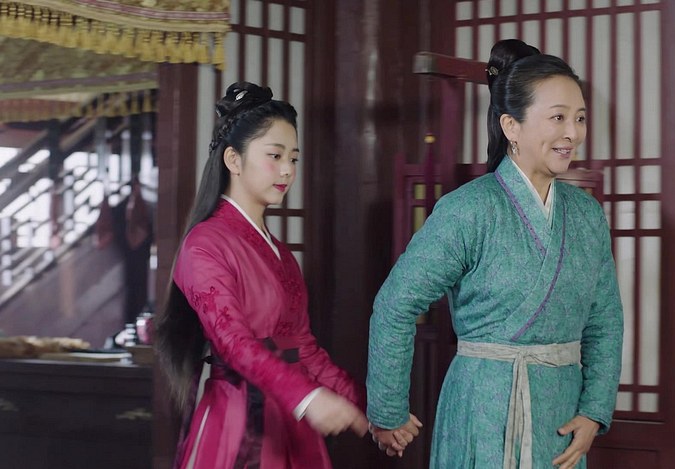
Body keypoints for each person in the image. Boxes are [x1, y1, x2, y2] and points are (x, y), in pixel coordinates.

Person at [366, 39, 624, 469]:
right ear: (511, 126)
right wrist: (388, 409)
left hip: (561, 418)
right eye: (558, 117)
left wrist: (594, 411)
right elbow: (396, 304)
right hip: (483, 409)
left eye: (579, 118)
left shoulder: (586, 214)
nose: (573, 133)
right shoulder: (469, 209)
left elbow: (605, 319)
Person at [155, 81, 368, 468]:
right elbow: (234, 343)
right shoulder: (204, 245)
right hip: (238, 421)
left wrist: (371, 411)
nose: (287, 170)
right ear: (233, 160)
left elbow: (303, 348)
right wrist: (307, 397)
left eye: (294, 158)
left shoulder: (281, 254)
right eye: (275, 155)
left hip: (291, 418)